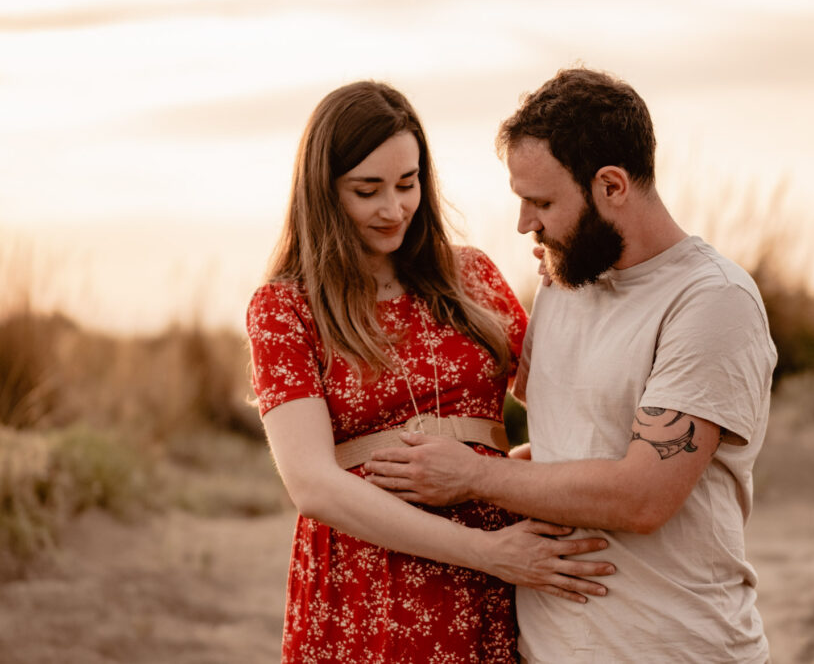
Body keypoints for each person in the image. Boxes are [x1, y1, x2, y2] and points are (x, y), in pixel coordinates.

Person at [365, 68, 777, 663]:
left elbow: (643, 496)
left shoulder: (712, 300)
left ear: (611, 186)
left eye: (542, 202)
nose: (524, 223)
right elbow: (568, 439)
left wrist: (473, 476)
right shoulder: (563, 280)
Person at [245, 80, 614, 664]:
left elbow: (564, 403)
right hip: (372, 582)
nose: (394, 209)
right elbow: (312, 484)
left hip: (498, 568)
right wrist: (485, 551)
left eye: (407, 183)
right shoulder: (286, 308)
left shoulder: (472, 276)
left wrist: (572, 290)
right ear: (323, 192)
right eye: (367, 190)